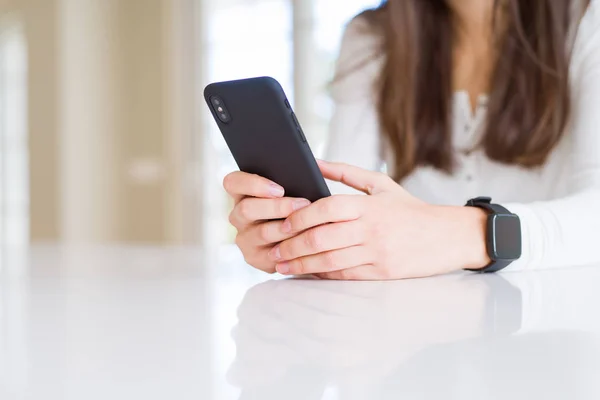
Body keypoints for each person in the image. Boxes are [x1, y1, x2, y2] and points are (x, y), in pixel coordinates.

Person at [223, 0, 600, 280]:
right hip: (414, 324)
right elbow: (346, 193)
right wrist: (299, 235)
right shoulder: (372, 37)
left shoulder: (587, 22)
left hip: (554, 314)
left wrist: (464, 234)